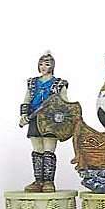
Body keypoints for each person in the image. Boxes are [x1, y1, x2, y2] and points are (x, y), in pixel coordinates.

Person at [17, 51, 69, 192]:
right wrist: (24, 115)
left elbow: (65, 104)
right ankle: (38, 181)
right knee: (37, 150)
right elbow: (27, 99)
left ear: (52, 66)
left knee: (48, 150)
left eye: (46, 64)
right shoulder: (32, 83)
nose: (43, 67)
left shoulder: (59, 84)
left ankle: (48, 182)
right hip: (34, 119)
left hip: (51, 121)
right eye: (41, 64)